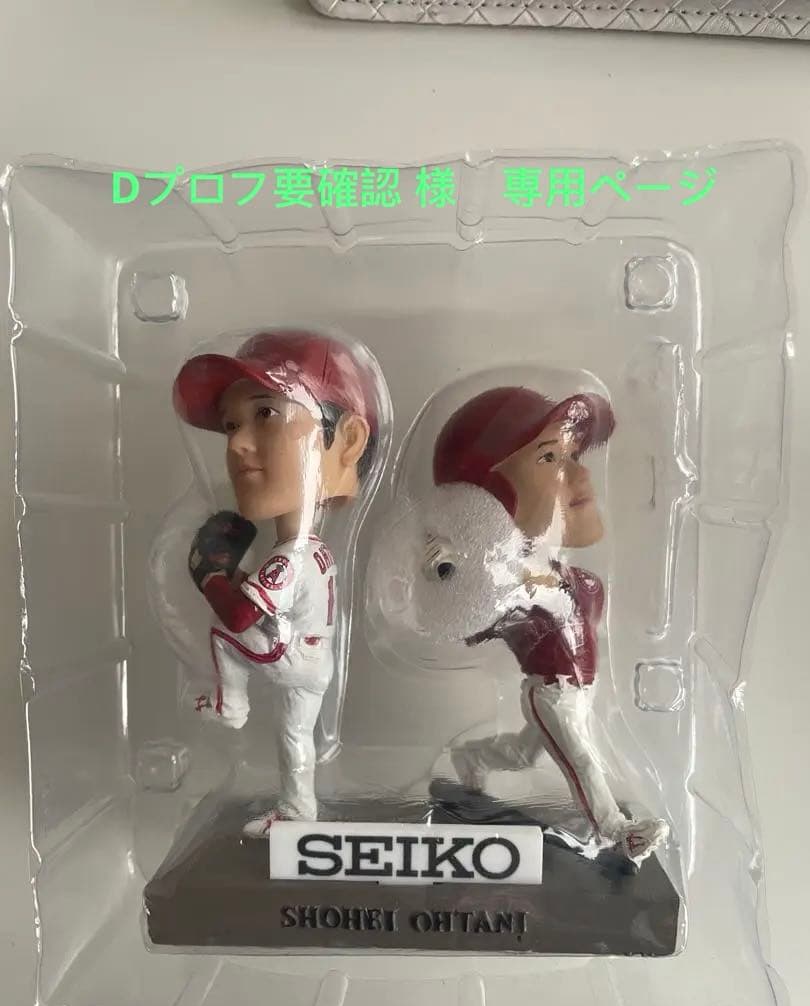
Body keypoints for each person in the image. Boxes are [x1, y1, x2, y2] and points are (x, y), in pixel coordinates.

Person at [431, 386, 668, 864]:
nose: (580, 474)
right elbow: (473, 618)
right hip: (552, 691)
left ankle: (472, 758)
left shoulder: (574, 578)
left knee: (525, 755)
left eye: (574, 455)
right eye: (549, 458)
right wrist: (451, 571)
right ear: (484, 499)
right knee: (582, 760)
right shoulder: (512, 586)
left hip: (582, 691)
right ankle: (617, 832)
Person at [172, 329, 377, 836]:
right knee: (294, 738)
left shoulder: (292, 553)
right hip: (315, 660)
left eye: (265, 413)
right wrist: (237, 577)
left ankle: (231, 704)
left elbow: (240, 614)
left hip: (290, 655)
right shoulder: (315, 551)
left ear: (347, 440)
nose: (237, 443)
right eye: (230, 425)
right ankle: (298, 811)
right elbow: (270, 600)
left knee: (224, 633)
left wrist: (211, 577)